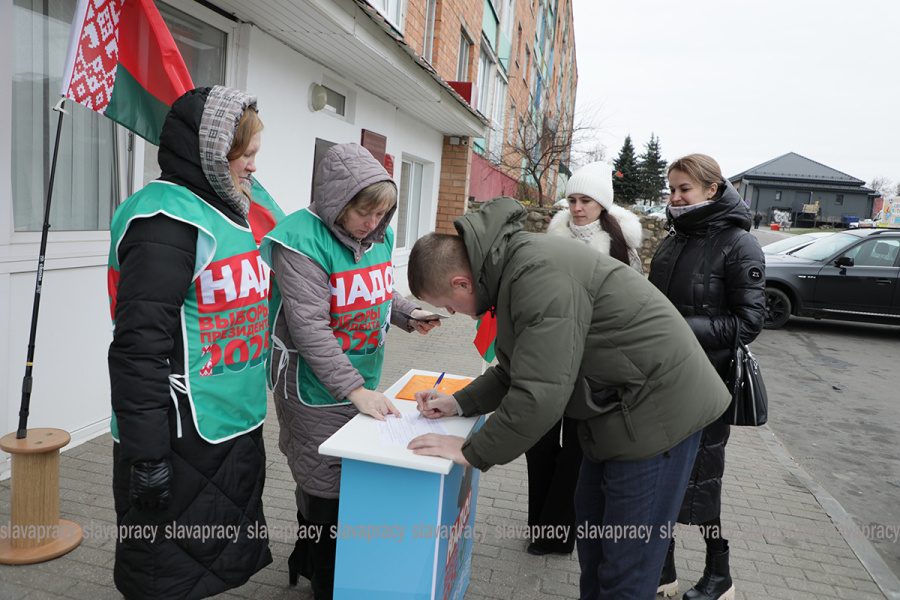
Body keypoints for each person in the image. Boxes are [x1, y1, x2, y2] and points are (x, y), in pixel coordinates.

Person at [405, 196, 732, 600]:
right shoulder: (512, 270)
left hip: (658, 414)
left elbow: (541, 392)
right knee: (595, 550)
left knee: (626, 567)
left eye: (446, 306)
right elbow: (517, 370)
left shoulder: (535, 275)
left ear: (461, 283)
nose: (452, 313)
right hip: (616, 409)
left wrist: (473, 450)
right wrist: (458, 402)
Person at [107, 86, 281, 600]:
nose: (253, 167)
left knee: (205, 569)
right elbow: (138, 347)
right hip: (178, 438)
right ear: (212, 153)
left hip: (230, 425)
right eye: (245, 155)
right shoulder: (165, 221)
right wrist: (147, 456)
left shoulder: (233, 211)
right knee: (165, 573)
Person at [259, 143, 439, 599]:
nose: (373, 224)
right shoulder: (301, 241)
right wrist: (355, 389)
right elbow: (310, 329)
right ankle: (325, 579)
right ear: (338, 200)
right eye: (364, 213)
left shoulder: (373, 237)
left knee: (339, 484)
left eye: (382, 214)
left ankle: (311, 557)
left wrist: (407, 312)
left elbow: (376, 290)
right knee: (324, 486)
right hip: (313, 387)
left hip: (355, 382)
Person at [649, 154, 766, 600]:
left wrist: (678, 327)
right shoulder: (674, 238)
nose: (675, 198)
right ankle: (663, 569)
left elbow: (748, 324)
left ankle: (721, 575)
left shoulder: (739, 244)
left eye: (685, 190)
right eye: (672, 189)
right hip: (661, 376)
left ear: (711, 190)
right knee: (658, 473)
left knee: (700, 479)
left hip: (708, 381)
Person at [522, 161, 644, 556]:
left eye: (585, 200)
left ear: (602, 205)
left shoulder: (623, 248)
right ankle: (536, 522)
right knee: (538, 443)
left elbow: (633, 309)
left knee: (575, 449)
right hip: (546, 357)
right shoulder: (550, 239)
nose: (577, 208)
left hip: (591, 365)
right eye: (572, 199)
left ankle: (555, 536)